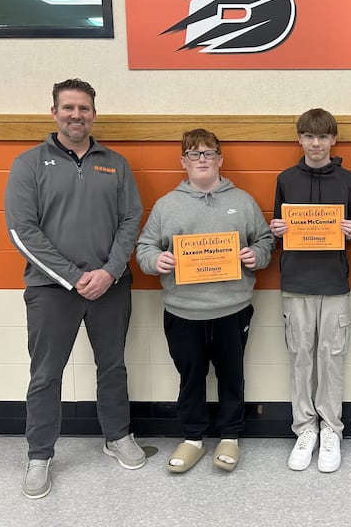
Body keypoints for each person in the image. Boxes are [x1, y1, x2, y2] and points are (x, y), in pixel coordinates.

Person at [4, 78, 145, 500]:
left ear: (94, 114)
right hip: (51, 289)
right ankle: (39, 455)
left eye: (83, 108)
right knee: (45, 375)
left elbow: (130, 220)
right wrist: (72, 275)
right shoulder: (28, 164)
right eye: (68, 108)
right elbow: (21, 229)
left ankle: (117, 436)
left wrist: (110, 271)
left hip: (110, 286)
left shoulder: (115, 164)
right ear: (54, 113)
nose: (76, 115)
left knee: (113, 367)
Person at [136, 129, 273, 473]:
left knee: (231, 374)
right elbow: (144, 248)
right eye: (194, 154)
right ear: (182, 161)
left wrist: (257, 254)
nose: (202, 160)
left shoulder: (242, 201)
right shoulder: (167, 206)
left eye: (208, 153)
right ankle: (193, 437)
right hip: (183, 311)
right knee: (191, 375)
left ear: (220, 160)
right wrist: (157, 261)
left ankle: (230, 435)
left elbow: (266, 240)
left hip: (232, 308)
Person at [269, 109, 351, 473]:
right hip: (296, 284)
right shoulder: (285, 179)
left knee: (331, 358)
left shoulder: (349, 180)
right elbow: (278, 229)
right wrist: (276, 229)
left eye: (323, 137)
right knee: (300, 358)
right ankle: (304, 428)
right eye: (308, 136)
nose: (316, 143)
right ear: (299, 139)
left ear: (334, 140)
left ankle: (331, 429)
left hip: (334, 284)